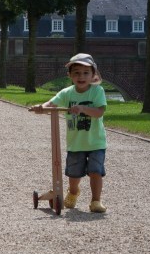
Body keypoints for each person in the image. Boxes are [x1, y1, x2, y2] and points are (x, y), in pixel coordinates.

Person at [29, 53, 107, 213]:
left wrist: (83, 108)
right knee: (74, 173)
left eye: (86, 73)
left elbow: (99, 112)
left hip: (96, 141)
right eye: (77, 73)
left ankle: (96, 200)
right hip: (75, 143)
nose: (81, 76)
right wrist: (41, 107)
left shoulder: (97, 91)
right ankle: (73, 191)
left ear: (93, 75)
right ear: (70, 75)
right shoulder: (67, 93)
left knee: (95, 171)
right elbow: (51, 104)